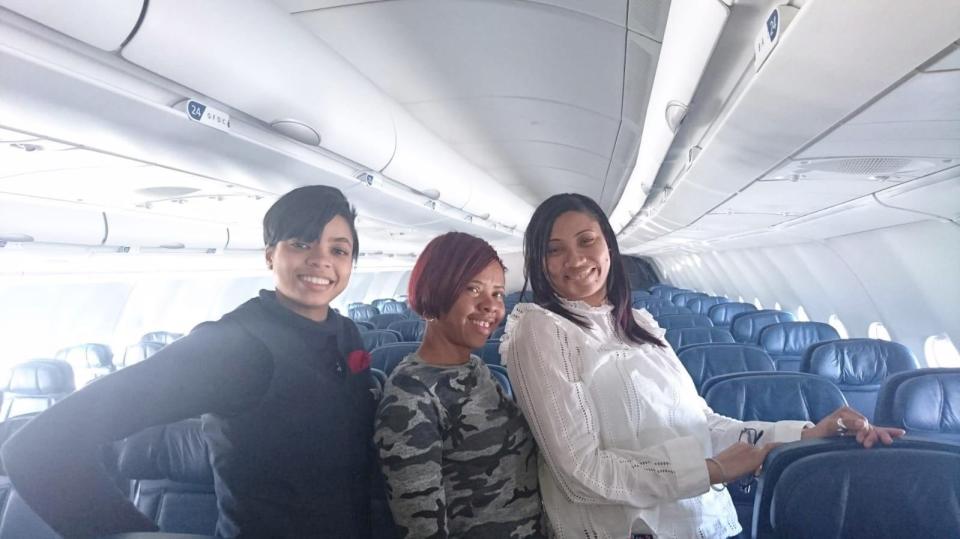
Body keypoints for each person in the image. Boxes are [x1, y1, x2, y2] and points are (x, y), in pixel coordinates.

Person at [499, 193, 905, 539]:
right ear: (541, 261)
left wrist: (807, 434)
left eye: (586, 241)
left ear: (608, 246)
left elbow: (703, 425)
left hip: (699, 522)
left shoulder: (639, 325)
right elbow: (582, 473)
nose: (575, 259)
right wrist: (708, 470)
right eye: (555, 249)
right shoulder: (539, 330)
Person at [2, 185, 377, 538]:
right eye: (300, 243)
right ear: (270, 255)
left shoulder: (345, 333)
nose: (320, 260)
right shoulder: (232, 347)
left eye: (338, 250)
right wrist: (132, 534)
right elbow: (37, 448)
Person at [375, 232, 543, 538]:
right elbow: (421, 527)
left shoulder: (474, 368)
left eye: (497, 293)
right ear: (436, 289)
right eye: (473, 289)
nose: (490, 305)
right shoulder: (411, 395)